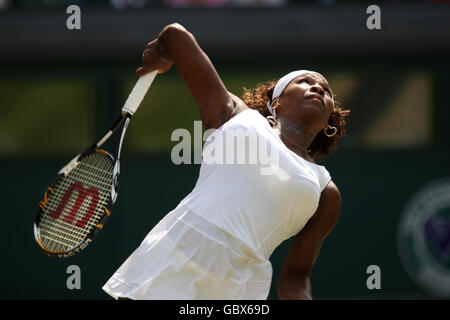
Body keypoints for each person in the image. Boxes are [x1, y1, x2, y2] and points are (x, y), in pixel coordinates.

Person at [102, 23, 350, 300]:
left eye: (326, 90)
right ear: (276, 101)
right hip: (176, 254)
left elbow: (296, 278)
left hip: (238, 287)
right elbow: (177, 36)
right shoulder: (234, 115)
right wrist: (161, 52)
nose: (317, 87)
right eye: (305, 81)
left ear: (329, 120)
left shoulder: (326, 192)